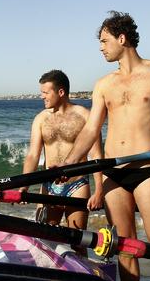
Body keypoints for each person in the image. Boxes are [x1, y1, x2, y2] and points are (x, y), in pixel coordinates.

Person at [63, 11, 150, 281]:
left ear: (122, 38)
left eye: (104, 41)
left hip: (145, 170)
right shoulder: (104, 84)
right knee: (124, 247)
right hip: (112, 173)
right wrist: (70, 162)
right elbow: (91, 129)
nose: (101, 48)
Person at [20, 70, 104, 237]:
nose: (42, 97)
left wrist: (99, 191)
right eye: (41, 93)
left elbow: (96, 155)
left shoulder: (85, 116)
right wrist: (25, 185)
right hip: (48, 186)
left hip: (77, 185)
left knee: (78, 240)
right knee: (44, 239)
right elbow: (33, 155)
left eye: (45, 93)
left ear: (61, 92)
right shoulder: (40, 119)